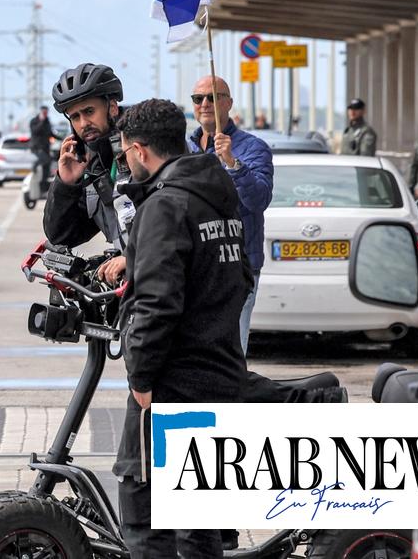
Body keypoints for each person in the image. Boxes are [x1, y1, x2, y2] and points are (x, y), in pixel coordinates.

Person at [113, 98, 250, 559]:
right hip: (220, 369)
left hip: (174, 381)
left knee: (146, 515)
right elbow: (241, 277)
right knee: (198, 520)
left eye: (126, 151)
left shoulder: (164, 206)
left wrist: (142, 378)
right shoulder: (218, 194)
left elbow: (156, 302)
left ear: (139, 150)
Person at [186, 76, 273, 355]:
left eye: (213, 97)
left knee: (230, 354)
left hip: (236, 267)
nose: (205, 104)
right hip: (193, 267)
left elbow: (258, 200)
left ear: (229, 103)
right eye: (198, 99)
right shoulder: (185, 149)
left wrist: (233, 163)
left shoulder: (253, 148)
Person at [42, 62, 132, 286]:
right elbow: (63, 236)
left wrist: (135, 258)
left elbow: (172, 224)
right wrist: (66, 184)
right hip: (126, 288)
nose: (84, 123)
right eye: (75, 117)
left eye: (89, 112)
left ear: (112, 107)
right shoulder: (91, 165)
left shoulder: (144, 152)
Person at [28, 106, 56, 195]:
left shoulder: (47, 121)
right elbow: (35, 131)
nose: (45, 114)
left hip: (46, 147)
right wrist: (42, 121)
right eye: (44, 112)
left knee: (46, 168)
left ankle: (43, 188)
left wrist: (62, 138)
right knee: (46, 159)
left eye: (46, 112)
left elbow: (50, 133)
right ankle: (34, 166)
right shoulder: (34, 121)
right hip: (37, 147)